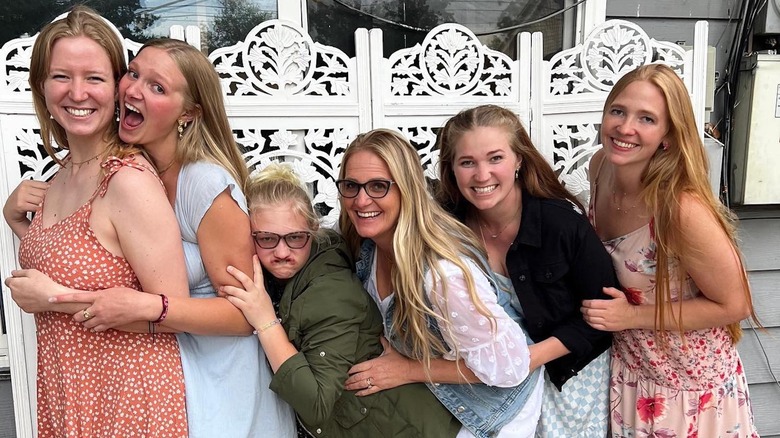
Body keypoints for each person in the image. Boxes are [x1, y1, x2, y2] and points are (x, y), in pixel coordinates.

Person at [11, 38, 296, 437]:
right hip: (175, 367)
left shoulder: (204, 183)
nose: (133, 90)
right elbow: (90, 255)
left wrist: (144, 305)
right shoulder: (140, 169)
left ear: (189, 113)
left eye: (157, 87)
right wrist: (16, 218)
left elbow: (242, 314)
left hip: (221, 383)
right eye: (134, 73)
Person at [2, 7, 189, 436]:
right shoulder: (64, 172)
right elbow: (79, 257)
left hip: (124, 399)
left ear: (117, 90)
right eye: (61, 76)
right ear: (41, 87)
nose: (78, 92)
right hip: (70, 391)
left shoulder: (127, 181)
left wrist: (56, 299)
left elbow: (172, 312)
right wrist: (15, 218)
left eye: (94, 78)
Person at [581, 63, 760, 436]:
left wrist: (630, 317)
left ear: (667, 136)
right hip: (633, 371)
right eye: (618, 110)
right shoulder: (600, 168)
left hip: (688, 387)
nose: (625, 127)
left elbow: (736, 304)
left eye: (646, 119)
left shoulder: (679, 208)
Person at [220, 163, 460, 437]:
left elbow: (316, 403)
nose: (282, 251)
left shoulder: (330, 295)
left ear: (312, 231)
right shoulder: (284, 279)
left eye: (295, 237)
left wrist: (265, 321)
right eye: (267, 239)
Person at [337, 128, 544, 438]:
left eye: (378, 186)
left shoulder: (443, 275)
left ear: (406, 189)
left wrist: (408, 370)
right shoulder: (369, 246)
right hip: (435, 399)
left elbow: (509, 368)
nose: (361, 199)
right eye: (351, 186)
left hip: (494, 408)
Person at [435, 104, 617, 437]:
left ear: (519, 159)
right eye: (467, 162)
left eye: (495, 158)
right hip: (492, 389)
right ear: (451, 169)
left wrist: (526, 359)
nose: (482, 175)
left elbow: (605, 319)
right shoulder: (445, 229)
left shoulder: (561, 225)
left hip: (568, 379)